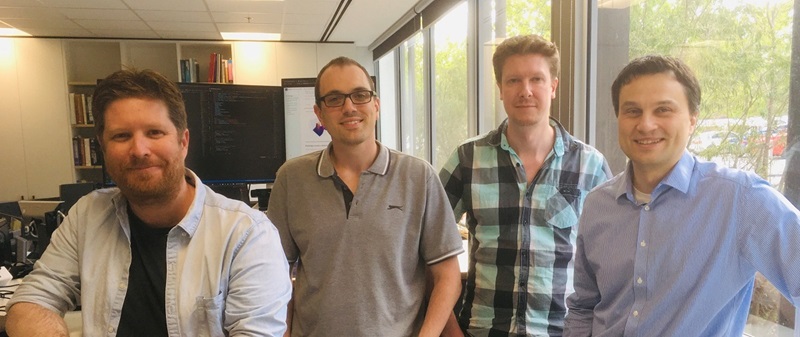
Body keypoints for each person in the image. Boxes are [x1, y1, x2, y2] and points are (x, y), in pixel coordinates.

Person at [6, 69, 292, 336]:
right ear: (103, 148)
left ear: (183, 142)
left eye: (154, 132)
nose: (139, 150)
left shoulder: (247, 234)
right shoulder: (87, 215)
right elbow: (33, 300)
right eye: (121, 136)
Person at [563, 55, 800, 336]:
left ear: (692, 120)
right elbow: (583, 307)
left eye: (663, 110)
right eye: (632, 111)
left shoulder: (741, 199)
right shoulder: (598, 205)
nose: (646, 124)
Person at [266, 56, 464, 337]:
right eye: (334, 99)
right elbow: (275, 275)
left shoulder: (419, 177)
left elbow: (447, 276)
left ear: (376, 105)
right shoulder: (291, 179)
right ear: (319, 114)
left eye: (360, 95)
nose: (349, 107)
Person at [438, 34, 612, 336]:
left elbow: (612, 261)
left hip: (562, 331)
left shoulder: (590, 166)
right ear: (501, 90)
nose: (526, 91)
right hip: (482, 330)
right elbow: (426, 247)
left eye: (537, 79)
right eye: (514, 81)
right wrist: (450, 329)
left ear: (553, 86)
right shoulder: (468, 159)